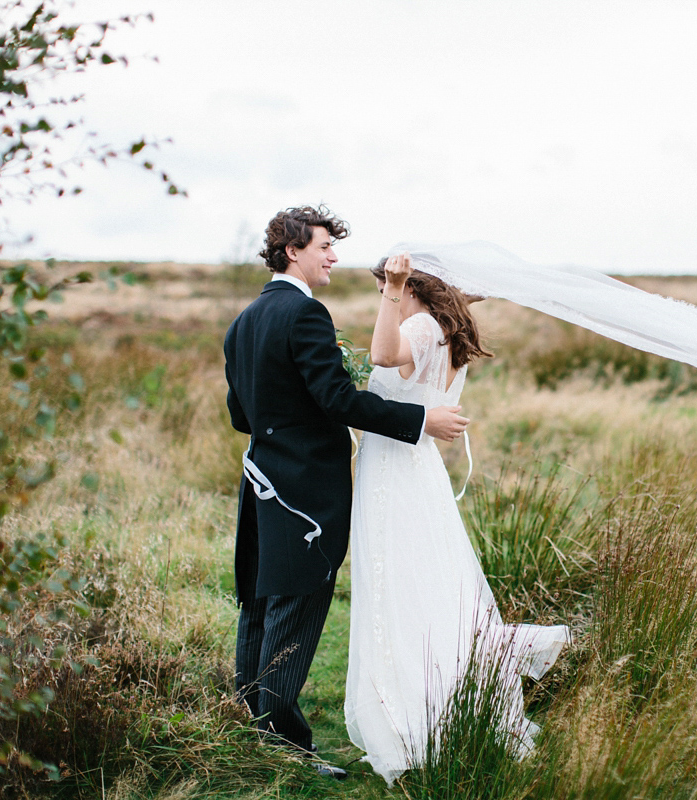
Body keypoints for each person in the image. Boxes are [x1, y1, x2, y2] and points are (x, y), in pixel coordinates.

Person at [223, 207, 470, 779]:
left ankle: (253, 730)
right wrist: (417, 420)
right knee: (298, 604)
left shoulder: (245, 320)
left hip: (260, 475)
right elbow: (336, 399)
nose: (334, 256)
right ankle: (287, 748)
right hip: (306, 490)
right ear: (293, 251)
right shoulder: (305, 313)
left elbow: (241, 414)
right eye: (325, 246)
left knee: (260, 601)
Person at [344, 253, 571, 785]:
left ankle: (418, 716)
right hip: (416, 470)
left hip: (396, 473)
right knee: (430, 586)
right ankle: (446, 699)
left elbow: (381, 352)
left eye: (392, 285)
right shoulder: (449, 330)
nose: (388, 294)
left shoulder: (421, 325)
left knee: (402, 587)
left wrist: (392, 289)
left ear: (413, 287)